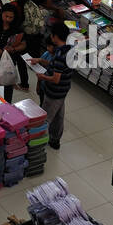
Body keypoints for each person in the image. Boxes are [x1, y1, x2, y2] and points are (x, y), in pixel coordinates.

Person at [37, 22, 73, 150]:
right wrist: (41, 60)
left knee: (45, 118)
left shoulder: (59, 55)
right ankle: (55, 140)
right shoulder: (69, 49)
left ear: (55, 36)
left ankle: (39, 145)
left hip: (54, 92)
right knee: (59, 116)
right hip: (63, 90)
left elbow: (55, 78)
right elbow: (59, 68)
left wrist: (42, 77)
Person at [0, 4, 27, 103]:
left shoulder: (17, 27)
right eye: (6, 16)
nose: (8, 19)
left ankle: (7, 104)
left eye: (11, 17)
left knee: (8, 84)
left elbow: (23, 45)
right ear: (2, 14)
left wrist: (13, 49)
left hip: (9, 60)